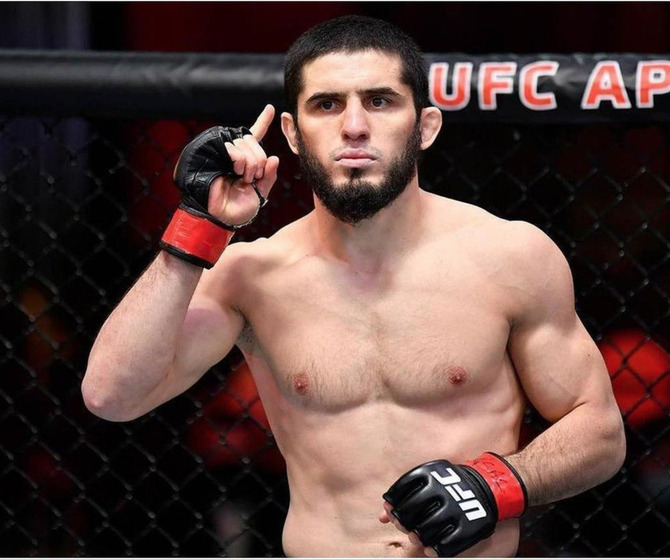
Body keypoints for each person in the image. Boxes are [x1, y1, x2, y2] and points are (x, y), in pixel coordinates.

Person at [82, 15, 626, 557]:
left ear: (426, 126)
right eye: (326, 104)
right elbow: (112, 395)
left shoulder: (510, 256)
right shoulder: (250, 275)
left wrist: (497, 484)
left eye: (380, 101)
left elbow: (600, 432)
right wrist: (199, 225)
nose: (355, 126)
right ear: (292, 134)